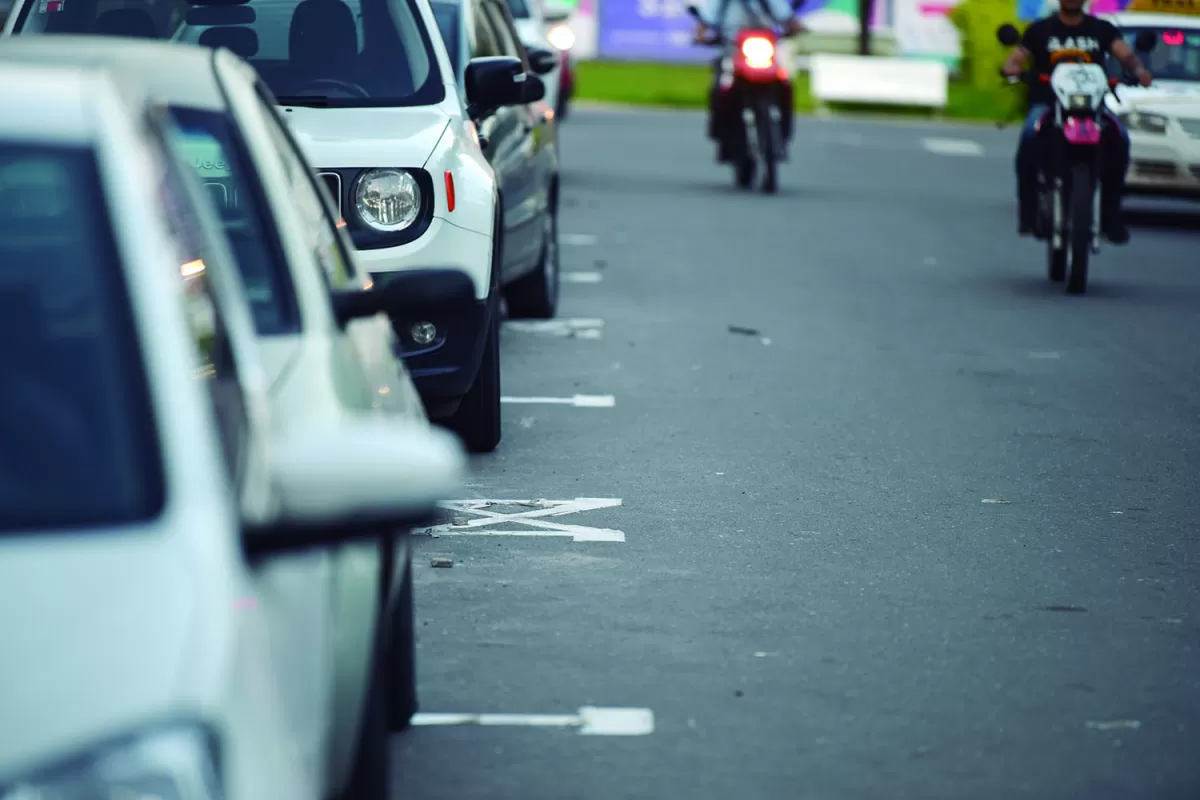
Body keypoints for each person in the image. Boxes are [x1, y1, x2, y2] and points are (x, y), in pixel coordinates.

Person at [1001, 0, 1152, 244]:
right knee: (1030, 136)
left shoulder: (1102, 29)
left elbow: (1126, 55)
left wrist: (1139, 71)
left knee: (1120, 137)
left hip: (1092, 106)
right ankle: (1028, 213)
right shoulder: (1040, 30)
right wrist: (1012, 69)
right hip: (1048, 103)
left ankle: (1111, 213)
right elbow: (1016, 58)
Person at [693, 0, 805, 162]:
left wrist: (795, 27)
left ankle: (782, 134)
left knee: (785, 86)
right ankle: (723, 137)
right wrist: (700, 34)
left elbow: (785, 16)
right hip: (733, 51)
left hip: (765, 53)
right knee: (720, 89)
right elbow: (708, 18)